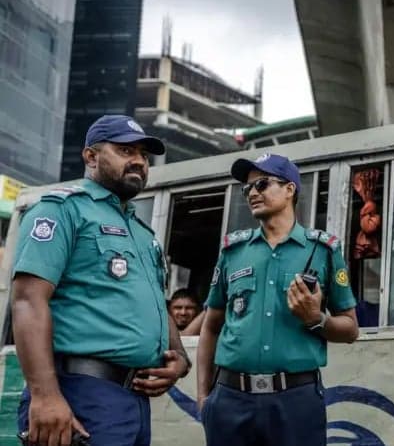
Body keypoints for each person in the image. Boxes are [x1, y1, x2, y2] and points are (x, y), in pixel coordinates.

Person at [11, 115, 191, 446]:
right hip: (79, 392)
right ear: (91, 157)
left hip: (133, 401)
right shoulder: (61, 210)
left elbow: (156, 303)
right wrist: (45, 395)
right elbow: (27, 300)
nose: (138, 160)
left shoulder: (142, 232)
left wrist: (179, 356)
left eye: (143, 155)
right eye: (125, 150)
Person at [196, 153, 359, 446]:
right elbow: (211, 326)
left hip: (295, 400)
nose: (253, 193)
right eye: (248, 189)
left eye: (262, 184)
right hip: (230, 399)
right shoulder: (233, 250)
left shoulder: (323, 250)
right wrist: (204, 397)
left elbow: (351, 329)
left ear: (289, 189)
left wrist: (316, 319)